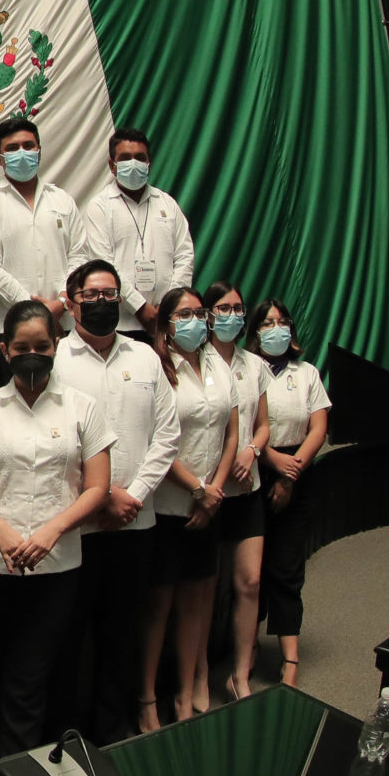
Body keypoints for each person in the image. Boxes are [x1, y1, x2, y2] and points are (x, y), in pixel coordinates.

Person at [0, 299, 115, 760]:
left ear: (57, 345)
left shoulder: (83, 408)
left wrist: (52, 531)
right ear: (5, 350)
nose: (33, 353)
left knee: (30, 676)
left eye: (42, 344)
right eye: (23, 346)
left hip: (57, 565)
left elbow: (98, 487)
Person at [49, 260, 180, 743]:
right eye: (92, 295)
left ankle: (113, 732)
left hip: (135, 522)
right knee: (70, 636)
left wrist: (136, 494)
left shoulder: (145, 357)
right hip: (76, 526)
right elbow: (49, 440)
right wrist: (98, 497)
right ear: (71, 299)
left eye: (111, 295)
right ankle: (68, 737)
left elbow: (168, 433)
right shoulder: (56, 360)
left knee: (122, 633)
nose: (102, 303)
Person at [141, 285, 239, 728]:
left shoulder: (219, 363)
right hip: (168, 504)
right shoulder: (156, 368)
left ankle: (184, 694)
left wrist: (213, 492)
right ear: (165, 324)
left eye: (201, 313)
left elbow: (231, 433)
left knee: (198, 602)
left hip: (210, 503)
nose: (196, 321)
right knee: (160, 606)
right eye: (185, 315)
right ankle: (146, 698)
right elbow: (155, 442)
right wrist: (197, 489)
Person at [252, 300, 331, 690]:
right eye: (268, 322)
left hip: (299, 476)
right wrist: (273, 464)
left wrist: (291, 472)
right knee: (250, 574)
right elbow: (240, 429)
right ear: (255, 331)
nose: (277, 328)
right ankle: (246, 647)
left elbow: (318, 428)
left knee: (286, 568)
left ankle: (290, 659)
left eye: (282, 321)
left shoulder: (307, 373)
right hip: (255, 474)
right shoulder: (246, 371)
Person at [204, 281, 274, 701]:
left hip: (249, 489)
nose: (232, 315)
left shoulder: (255, 364)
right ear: (208, 314)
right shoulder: (194, 362)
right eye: (223, 308)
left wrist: (252, 449)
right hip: (209, 493)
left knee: (250, 581)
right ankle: (196, 675)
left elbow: (263, 424)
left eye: (238, 308)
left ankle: (241, 674)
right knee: (208, 588)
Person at [69, 129, 196, 338]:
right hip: (121, 323)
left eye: (140, 157)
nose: (134, 163)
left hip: (167, 321)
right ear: (112, 165)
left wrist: (171, 303)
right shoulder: (99, 206)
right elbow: (104, 265)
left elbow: (184, 255)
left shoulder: (167, 203)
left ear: (149, 163)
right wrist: (140, 307)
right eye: (125, 158)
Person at [0, 115, 77, 332]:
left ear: (39, 152)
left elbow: (79, 255)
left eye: (28, 146)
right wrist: (32, 308)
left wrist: (63, 302)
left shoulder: (62, 199)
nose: (22, 152)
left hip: (66, 321)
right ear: (0, 158)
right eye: (12, 148)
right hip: (12, 324)